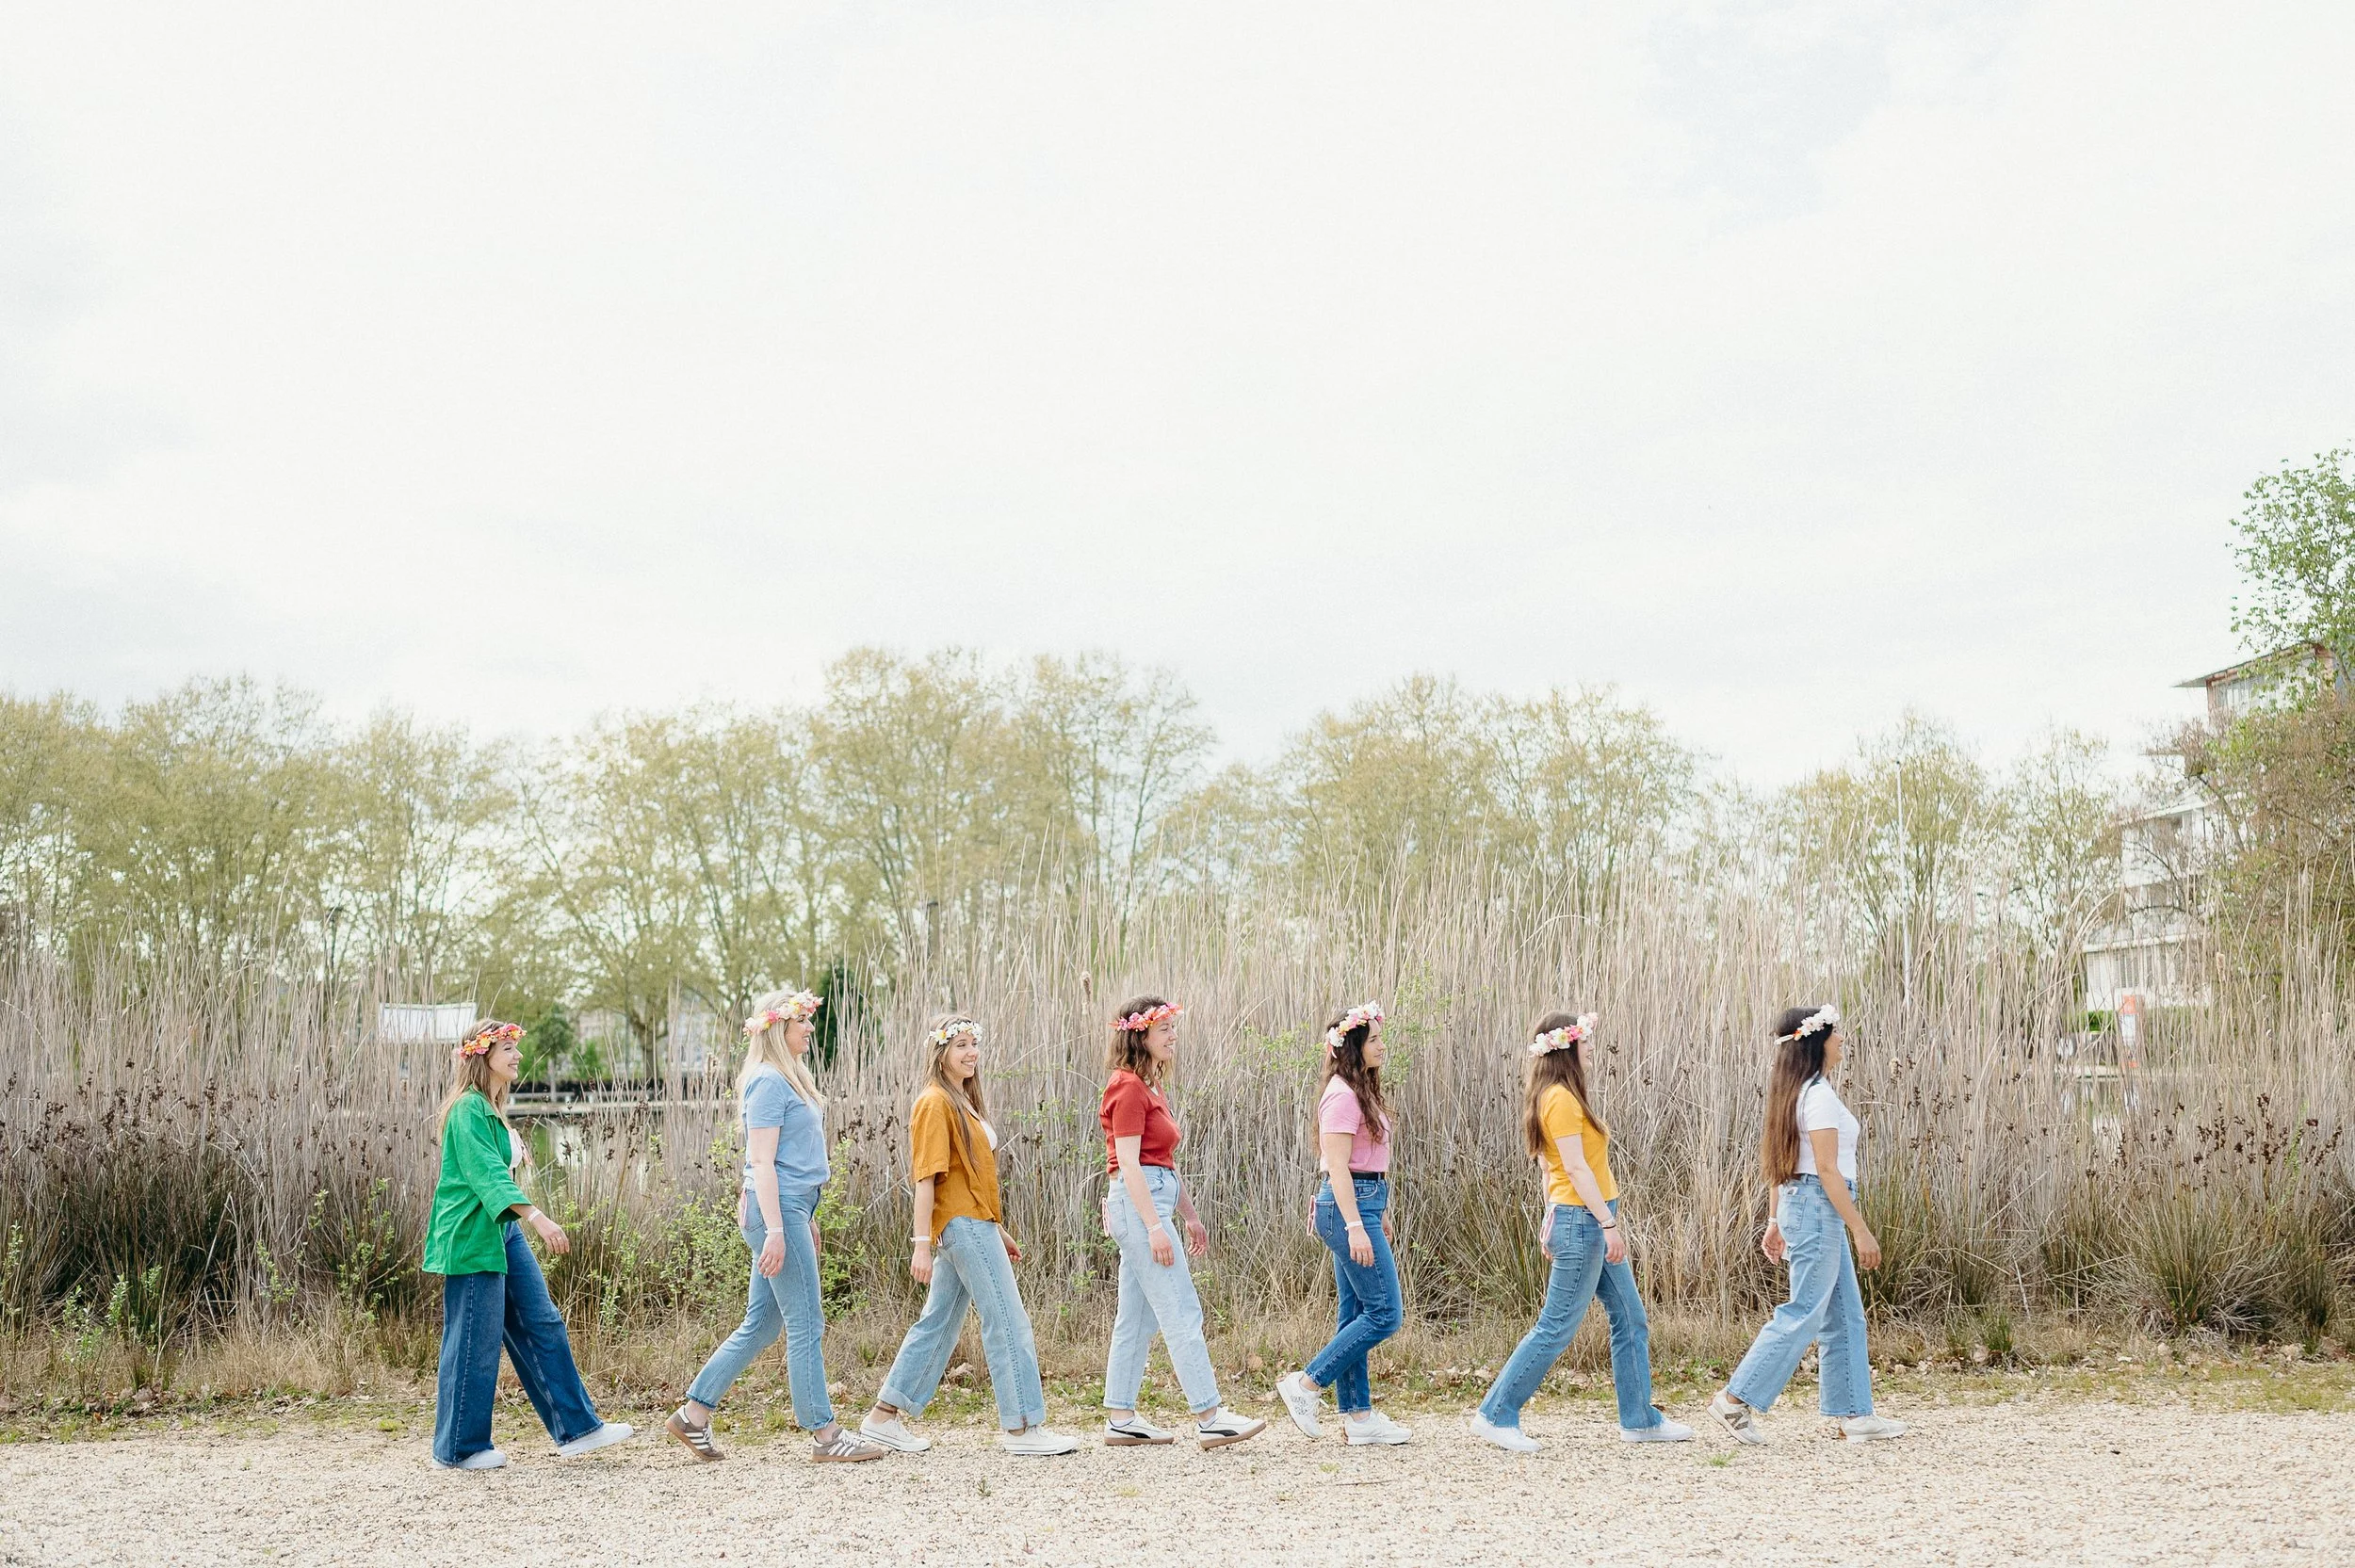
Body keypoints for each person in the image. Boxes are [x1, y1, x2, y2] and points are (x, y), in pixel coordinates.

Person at [667, 989, 884, 1463]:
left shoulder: (791, 1077)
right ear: (777, 1028)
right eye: (801, 1021)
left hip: (792, 1209)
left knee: (763, 1323)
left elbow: (794, 1161)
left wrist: (806, 1218)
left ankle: (693, 1415)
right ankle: (826, 1436)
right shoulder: (766, 1081)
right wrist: (779, 1230)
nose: (809, 1028)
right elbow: (761, 1162)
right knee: (807, 1321)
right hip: (776, 1210)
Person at [1469, 1012, 1693, 1452]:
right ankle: (1495, 1413)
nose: (1591, 1047)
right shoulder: (1561, 1100)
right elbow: (1572, 1166)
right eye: (1585, 1041)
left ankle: (1639, 1418)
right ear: (1566, 1048)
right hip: (1585, 1222)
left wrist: (1555, 1216)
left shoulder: (1560, 1096)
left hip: (1580, 1217)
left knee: (1630, 1316)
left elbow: (1547, 1166)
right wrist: (1606, 1225)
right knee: (1555, 1327)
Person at [858, 1015, 1080, 1457]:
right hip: (960, 1226)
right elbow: (927, 1178)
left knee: (939, 1321)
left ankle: (883, 1417)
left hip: (976, 1224)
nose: (971, 1052)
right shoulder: (934, 1102)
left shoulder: (962, 1100)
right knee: (1007, 1319)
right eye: (961, 1044)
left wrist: (999, 1229)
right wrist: (920, 1244)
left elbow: (970, 1179)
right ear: (940, 1052)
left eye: (974, 1043)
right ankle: (1022, 1427)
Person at [424, 1019, 634, 1470]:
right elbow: (487, 1175)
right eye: (507, 1049)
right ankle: (458, 1449)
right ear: (483, 1057)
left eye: (516, 1048)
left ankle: (577, 1428)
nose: (517, 1056)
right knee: (473, 1343)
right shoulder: (466, 1109)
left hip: (501, 1230)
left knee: (542, 1323)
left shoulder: (490, 1108)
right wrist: (536, 1216)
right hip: (473, 1235)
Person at [1707, 1005, 1908, 1445]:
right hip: (1821, 1207)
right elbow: (1826, 1170)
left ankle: (1856, 1413)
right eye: (1836, 1034)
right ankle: (1734, 1400)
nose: (1842, 1041)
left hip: (1806, 1205)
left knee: (1844, 1313)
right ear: (1817, 1041)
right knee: (1804, 1311)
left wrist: (1776, 1219)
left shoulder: (1799, 1092)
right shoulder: (1815, 1096)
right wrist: (1860, 1229)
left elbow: (1783, 1167)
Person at [1096, 995, 1267, 1451]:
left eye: (1173, 1028)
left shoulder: (1150, 1087)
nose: (1173, 1036)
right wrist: (1155, 1227)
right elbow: (1129, 1166)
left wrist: (1188, 1216)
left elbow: (1163, 1162)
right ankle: (1210, 1415)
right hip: (1140, 1207)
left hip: (1156, 1199)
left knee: (1136, 1316)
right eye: (1164, 1029)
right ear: (1141, 1037)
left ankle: (1121, 1417)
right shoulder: (1128, 1087)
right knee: (1180, 1306)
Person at [1275, 1001, 1411, 1446]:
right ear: (1351, 1047)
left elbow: (1367, 1161)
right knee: (1386, 1313)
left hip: (1365, 1203)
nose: (1382, 1046)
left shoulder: (1361, 1091)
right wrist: (1356, 1225)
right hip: (1345, 1209)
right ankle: (1307, 1383)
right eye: (1373, 1040)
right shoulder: (1340, 1095)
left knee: (1356, 1312)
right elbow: (1337, 1168)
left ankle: (1359, 1418)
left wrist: (1379, 1211)